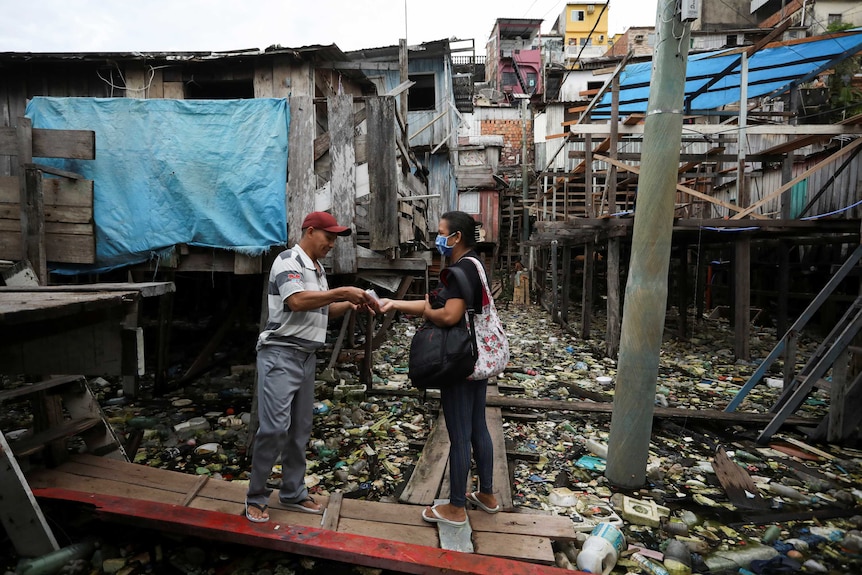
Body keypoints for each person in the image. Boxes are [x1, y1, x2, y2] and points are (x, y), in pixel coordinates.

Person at [245, 211, 378, 523]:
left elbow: (318, 308)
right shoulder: (288, 260)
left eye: (334, 238)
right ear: (310, 231)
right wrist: (343, 291)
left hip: (306, 356)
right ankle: (255, 497)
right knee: (275, 428)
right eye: (328, 236)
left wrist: (347, 304)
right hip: (280, 353)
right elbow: (297, 302)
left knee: (300, 429)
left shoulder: (317, 269)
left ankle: (292, 493)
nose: (331, 243)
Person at [379, 211, 500, 526]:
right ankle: (486, 495)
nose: (438, 238)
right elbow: (437, 306)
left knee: (459, 435)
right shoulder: (474, 265)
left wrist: (427, 316)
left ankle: (456, 507)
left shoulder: (460, 271)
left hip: (459, 361)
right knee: (478, 427)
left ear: (456, 237)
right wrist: (394, 303)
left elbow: (447, 315)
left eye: (441, 232)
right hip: (477, 358)